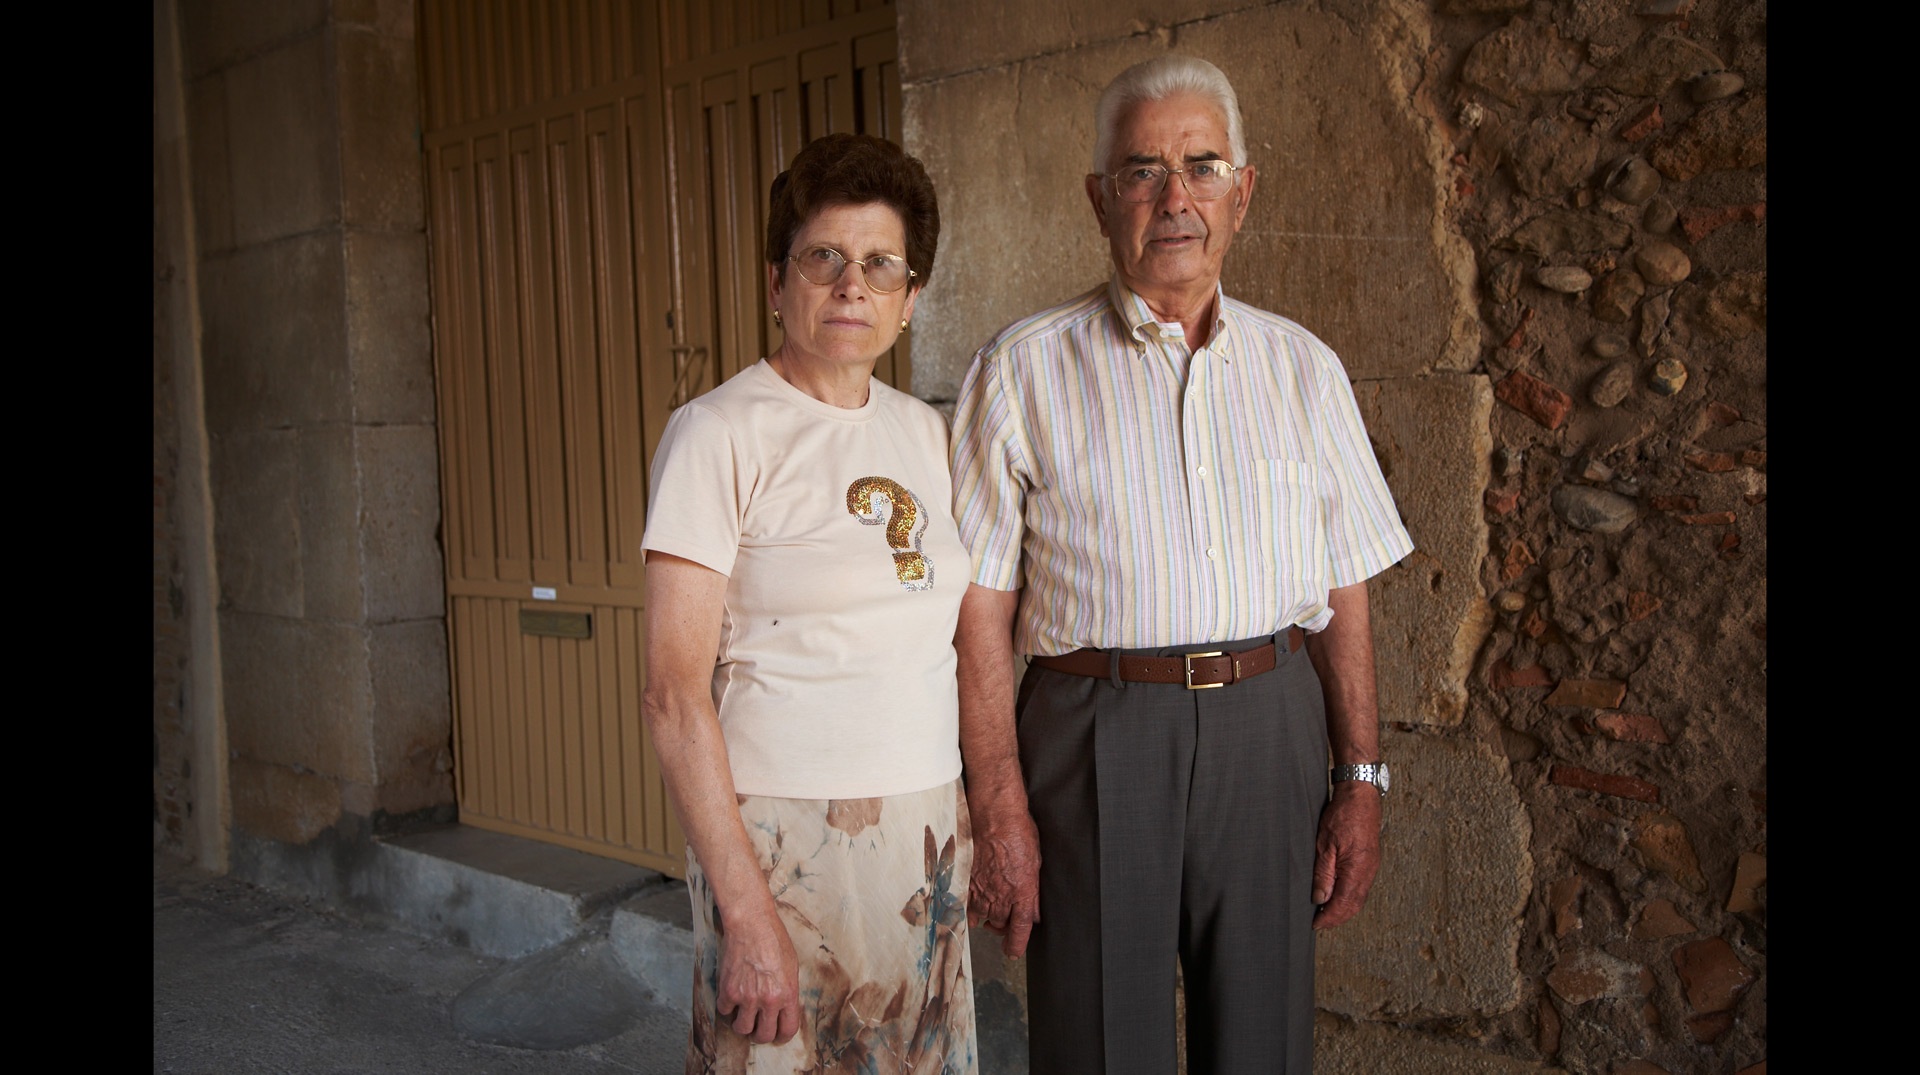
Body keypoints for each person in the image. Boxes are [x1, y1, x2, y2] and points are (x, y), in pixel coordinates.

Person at [950, 55, 1414, 1074]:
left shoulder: (1305, 368)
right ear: (1099, 199)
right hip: (1092, 730)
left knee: (1262, 1039)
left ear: (1242, 193)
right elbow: (978, 613)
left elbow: (1344, 591)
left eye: (1203, 167)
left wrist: (1361, 776)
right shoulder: (1020, 369)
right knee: (1097, 1043)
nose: (1175, 198)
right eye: (1142, 170)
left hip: (1270, 727)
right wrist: (998, 804)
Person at [640, 132, 976, 1074]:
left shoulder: (925, 434)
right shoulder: (717, 432)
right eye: (823, 257)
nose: (850, 286)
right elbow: (672, 695)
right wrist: (744, 910)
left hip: (921, 836)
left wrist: (967, 828)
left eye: (880, 266)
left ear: (910, 300)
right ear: (777, 280)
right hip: (783, 846)